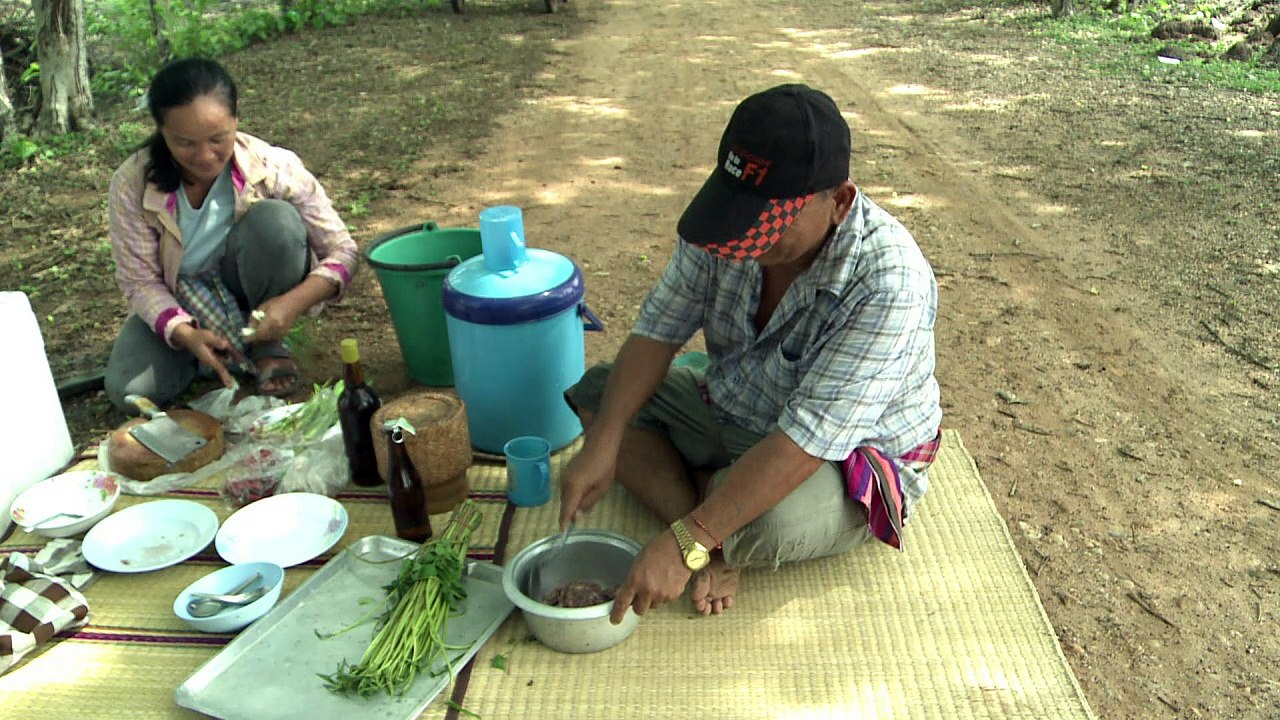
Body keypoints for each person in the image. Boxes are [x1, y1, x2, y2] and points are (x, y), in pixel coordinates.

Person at [559, 84, 942, 625]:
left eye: (771, 222)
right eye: (741, 211)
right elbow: (658, 331)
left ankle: (711, 519)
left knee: (770, 524)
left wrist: (684, 545)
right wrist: (604, 445)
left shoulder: (888, 281)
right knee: (604, 398)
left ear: (839, 202)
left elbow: (806, 440)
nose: (746, 239)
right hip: (735, 405)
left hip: (842, 455)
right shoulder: (728, 218)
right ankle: (707, 523)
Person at [104, 57, 358, 411]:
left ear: (236, 119)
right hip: (180, 300)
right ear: (162, 132)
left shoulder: (272, 165)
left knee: (277, 223)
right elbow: (140, 282)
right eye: (185, 143)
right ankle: (204, 350)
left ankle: (265, 344)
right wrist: (184, 332)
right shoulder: (132, 185)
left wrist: (290, 304)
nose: (206, 156)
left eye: (218, 138)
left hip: (247, 285)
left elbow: (343, 250)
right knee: (129, 391)